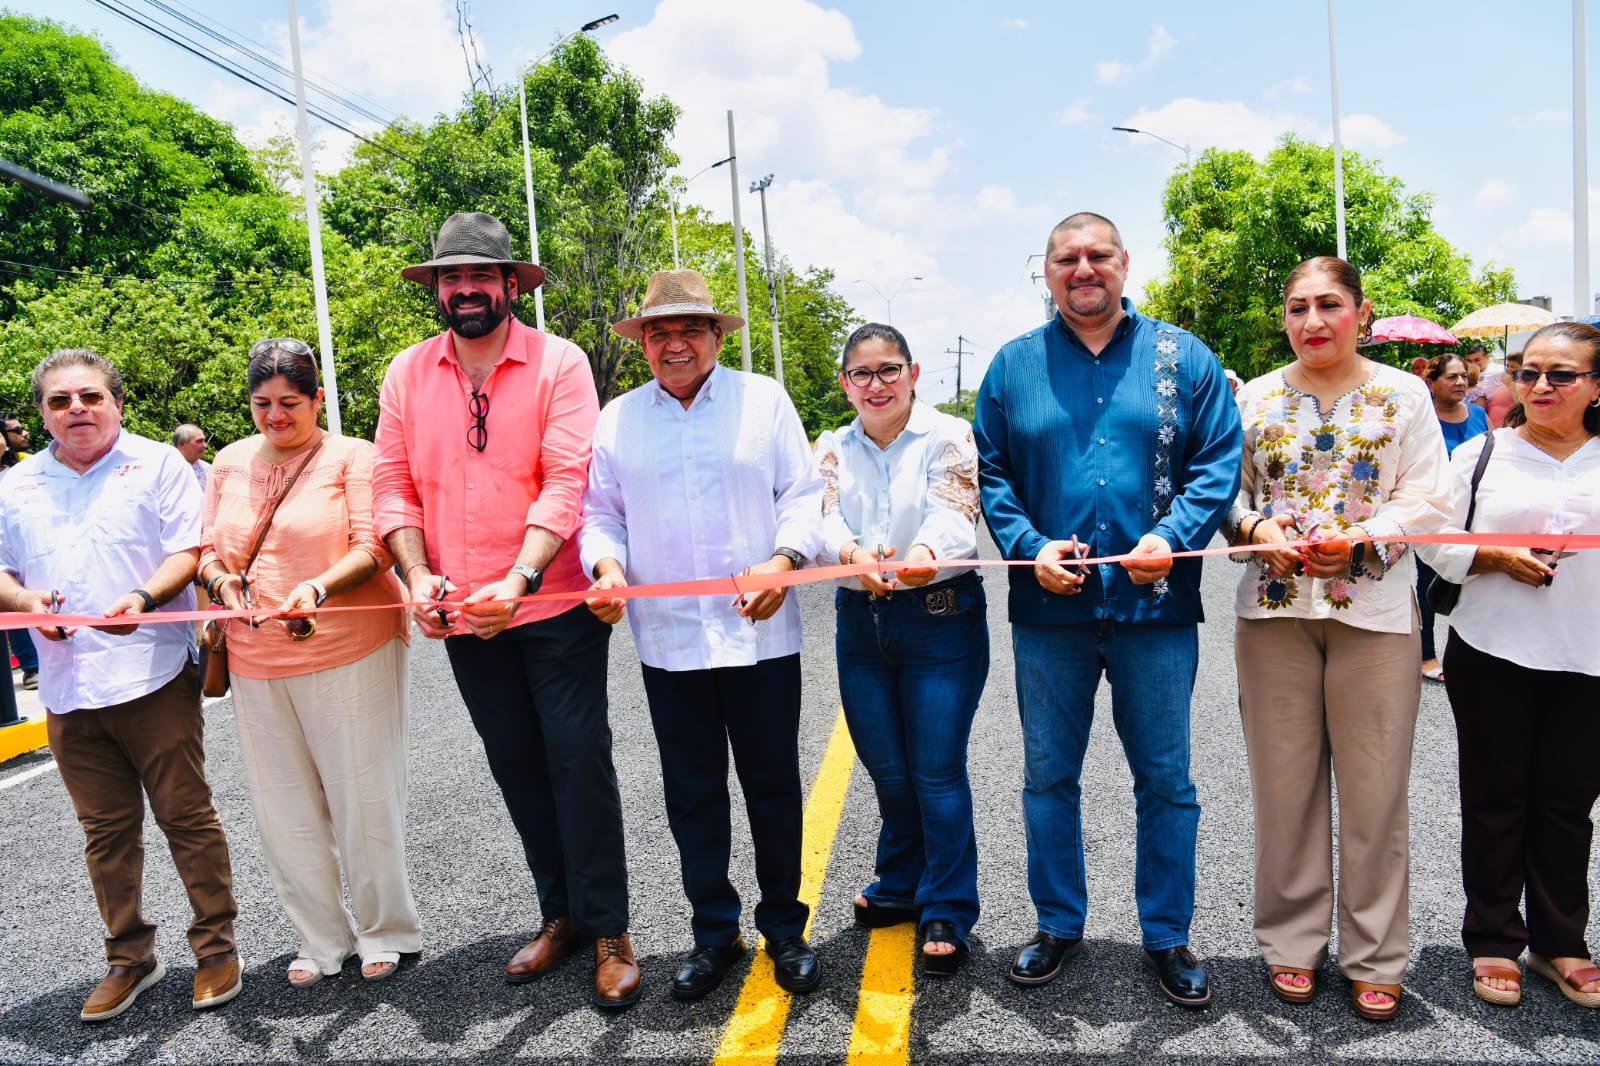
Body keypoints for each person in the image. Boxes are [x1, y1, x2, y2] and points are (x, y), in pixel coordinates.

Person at [372, 212, 638, 1009]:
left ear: (511, 285)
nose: (465, 290)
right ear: (437, 290)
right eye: (451, 278)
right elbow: (393, 486)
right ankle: (561, 915)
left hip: (552, 602)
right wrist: (418, 576)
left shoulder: (560, 363)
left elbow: (567, 479)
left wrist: (519, 578)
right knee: (515, 762)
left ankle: (610, 929)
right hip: (462, 612)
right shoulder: (406, 373)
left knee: (577, 757)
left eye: (480, 276)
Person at [974, 212, 1241, 1007]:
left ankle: (1168, 933)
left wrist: (1172, 536)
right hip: (1047, 612)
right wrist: (1029, 546)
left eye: (1097, 255)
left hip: (1155, 609)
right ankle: (1058, 922)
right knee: (1048, 777)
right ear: (1046, 271)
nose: (1083, 269)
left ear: (1125, 263)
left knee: (1166, 781)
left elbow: (1216, 461)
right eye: (1067, 258)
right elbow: (992, 473)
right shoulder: (1013, 366)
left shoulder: (1183, 357)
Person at [582, 269, 825, 1002]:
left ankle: (784, 929)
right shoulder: (618, 419)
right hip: (670, 642)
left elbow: (803, 497)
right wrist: (606, 568)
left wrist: (783, 563)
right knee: (692, 795)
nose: (675, 344)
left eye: (691, 328)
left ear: (718, 335)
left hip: (761, 637)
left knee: (773, 787)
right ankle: (714, 933)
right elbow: (602, 513)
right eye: (659, 332)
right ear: (643, 344)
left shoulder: (764, 401)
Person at [1227, 257, 1451, 1021]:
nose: (1313, 321)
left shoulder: (1404, 395)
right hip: (1274, 614)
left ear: (1361, 310)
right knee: (1283, 790)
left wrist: (1364, 537)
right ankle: (1291, 943)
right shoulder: (1255, 397)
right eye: (1298, 307)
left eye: (1328, 304)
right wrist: (1256, 528)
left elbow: (1429, 495)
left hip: (1376, 616)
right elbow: (1228, 493)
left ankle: (1376, 955)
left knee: (1376, 793)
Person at [0, 348, 241, 1021]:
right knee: (104, 832)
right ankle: (129, 957)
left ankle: (216, 948)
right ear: (43, 414)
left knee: (185, 817)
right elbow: (3, 570)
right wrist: (26, 604)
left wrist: (143, 597)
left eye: (90, 396)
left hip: (152, 673)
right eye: (59, 401)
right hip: (67, 687)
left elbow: (188, 551)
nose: (76, 409)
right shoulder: (16, 485)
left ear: (117, 403)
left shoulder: (158, 464)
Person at [197, 338, 417, 988]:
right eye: (262, 403)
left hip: (350, 645)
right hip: (255, 655)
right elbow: (207, 548)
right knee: (283, 808)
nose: (275, 416)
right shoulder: (228, 463)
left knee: (362, 796)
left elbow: (374, 546)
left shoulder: (352, 456)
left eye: (290, 402)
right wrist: (222, 583)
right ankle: (321, 938)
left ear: (317, 399)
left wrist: (317, 588)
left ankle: (385, 929)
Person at [1417, 321, 1600, 1010]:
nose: (1540, 386)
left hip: (1590, 656)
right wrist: (1491, 556)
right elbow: (1430, 536)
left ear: (1596, 386)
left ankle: (1561, 942)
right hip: (1492, 650)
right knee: (1495, 800)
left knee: (1567, 805)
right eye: (1528, 372)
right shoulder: (1483, 453)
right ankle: (1494, 938)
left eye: (1561, 374)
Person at [813, 323, 987, 977]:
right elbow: (823, 517)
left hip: (940, 620)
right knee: (887, 769)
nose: (876, 384)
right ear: (845, 384)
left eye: (889, 370)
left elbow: (954, 511)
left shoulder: (949, 436)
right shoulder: (832, 448)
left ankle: (947, 905)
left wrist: (923, 553)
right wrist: (850, 553)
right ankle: (900, 880)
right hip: (861, 625)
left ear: (913, 374)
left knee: (936, 771)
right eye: (862, 374)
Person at [1417, 353, 1489, 682]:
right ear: (1431, 383)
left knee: (1475, 582)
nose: (1460, 382)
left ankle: (1474, 651)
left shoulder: (1479, 414)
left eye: (1463, 376)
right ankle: (1426, 655)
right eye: (1451, 377)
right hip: (1432, 514)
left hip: (1475, 514)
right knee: (1428, 584)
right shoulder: (1424, 418)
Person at [1, 412, 38, 690]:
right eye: (17, 430)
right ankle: (30, 665)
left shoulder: (26, 467)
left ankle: (35, 664)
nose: (24, 433)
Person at [1484, 349, 1523, 428]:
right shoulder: (1504, 385)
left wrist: (1510, 384)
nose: (1508, 369)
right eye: (1507, 366)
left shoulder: (1521, 386)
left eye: (1513, 367)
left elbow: (1522, 406)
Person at [173, 424, 210, 490]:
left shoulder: (207, 469)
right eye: (199, 441)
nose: (205, 445)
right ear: (182, 443)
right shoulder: (166, 468)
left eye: (204, 441)